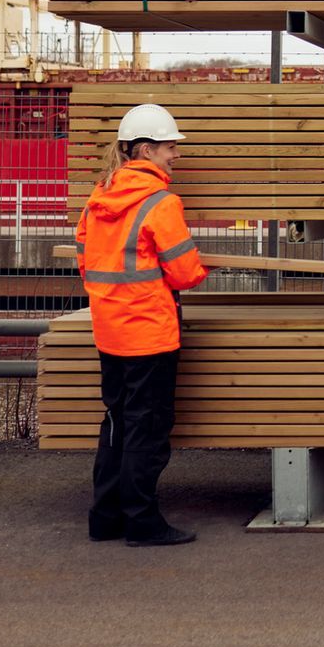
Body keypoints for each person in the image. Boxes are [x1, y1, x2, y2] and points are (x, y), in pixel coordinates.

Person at [76, 102, 208, 546]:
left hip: (110, 330)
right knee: (146, 429)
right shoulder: (161, 203)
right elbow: (185, 272)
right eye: (171, 147)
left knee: (115, 421)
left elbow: (85, 259)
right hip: (150, 332)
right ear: (147, 150)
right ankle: (142, 521)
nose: (175, 155)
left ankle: (105, 516)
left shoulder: (98, 199)